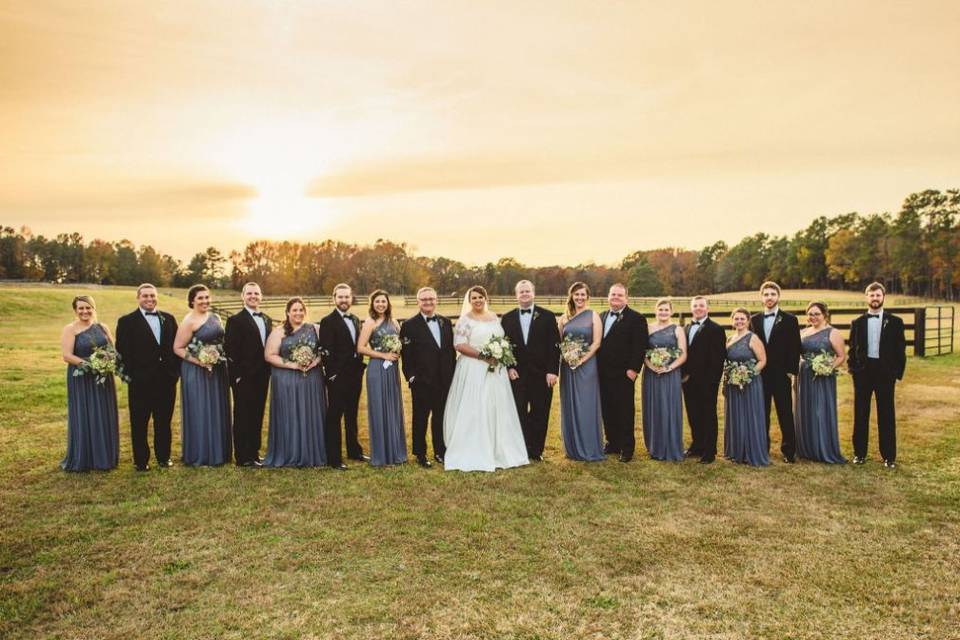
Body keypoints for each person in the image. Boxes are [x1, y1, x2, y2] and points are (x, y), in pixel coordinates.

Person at [443, 286, 529, 472]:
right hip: (473, 368)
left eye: (480, 296)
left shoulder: (494, 317)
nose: (477, 300)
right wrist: (483, 356)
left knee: (496, 406)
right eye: (474, 298)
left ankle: (499, 449)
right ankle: (474, 448)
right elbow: (459, 344)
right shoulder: (465, 320)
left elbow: (502, 340)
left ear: (485, 297)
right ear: (470, 300)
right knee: (476, 406)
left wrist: (500, 355)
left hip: (497, 370)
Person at [115, 283, 179, 471]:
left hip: (166, 381)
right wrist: (131, 377)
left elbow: (175, 348)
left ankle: (163, 457)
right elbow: (122, 352)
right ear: (138, 298)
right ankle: (141, 461)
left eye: (152, 295)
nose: (149, 299)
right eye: (145, 296)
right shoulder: (126, 321)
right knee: (139, 422)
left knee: (163, 421)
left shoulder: (169, 319)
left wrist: (174, 373)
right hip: (140, 382)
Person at [847, 282, 906, 468]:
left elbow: (900, 350)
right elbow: (851, 350)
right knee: (861, 414)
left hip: (885, 373)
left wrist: (896, 373)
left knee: (886, 415)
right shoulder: (857, 323)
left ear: (883, 297)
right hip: (863, 374)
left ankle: (889, 457)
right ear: (866, 298)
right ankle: (859, 454)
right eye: (871, 295)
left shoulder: (895, 322)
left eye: (878, 295)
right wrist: (853, 370)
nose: (875, 298)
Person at [262, 297, 327, 467]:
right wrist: (293, 365)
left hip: (312, 379)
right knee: (290, 414)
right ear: (288, 312)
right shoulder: (279, 331)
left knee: (311, 413)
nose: (298, 313)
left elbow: (324, 350)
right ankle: (290, 452)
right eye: (294, 310)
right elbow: (269, 355)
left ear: (305, 312)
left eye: (301, 310)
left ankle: (312, 452)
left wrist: (315, 361)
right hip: (286, 380)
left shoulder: (315, 329)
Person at [501, 280, 561, 461]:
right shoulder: (507, 317)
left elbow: (555, 346)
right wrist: (509, 367)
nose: (525, 294)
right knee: (518, 412)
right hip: (517, 374)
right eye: (521, 292)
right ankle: (522, 448)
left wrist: (552, 371)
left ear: (533, 293)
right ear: (516, 295)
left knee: (540, 412)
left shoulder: (548, 316)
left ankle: (536, 451)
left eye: (527, 291)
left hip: (542, 375)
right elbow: (504, 346)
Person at [173, 285, 232, 466]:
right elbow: (178, 348)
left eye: (207, 297)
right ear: (192, 301)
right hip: (196, 371)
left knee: (217, 407)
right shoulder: (189, 321)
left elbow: (221, 341)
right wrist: (200, 361)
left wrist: (217, 355)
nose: (205, 301)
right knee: (201, 408)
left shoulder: (215, 317)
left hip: (217, 370)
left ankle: (219, 451)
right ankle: (202, 453)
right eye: (200, 298)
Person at [60, 295, 119, 471]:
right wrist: (91, 365)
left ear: (93, 309)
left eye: (88, 308)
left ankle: (105, 457)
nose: (85, 311)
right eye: (81, 308)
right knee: (85, 413)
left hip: (103, 378)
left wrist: (108, 361)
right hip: (81, 378)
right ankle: (85, 457)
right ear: (75, 310)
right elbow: (67, 356)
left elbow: (113, 350)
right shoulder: (70, 329)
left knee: (102, 413)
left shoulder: (102, 327)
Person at [400, 287, 456, 467]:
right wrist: (412, 377)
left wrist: (451, 374)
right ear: (418, 302)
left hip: (443, 380)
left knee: (440, 417)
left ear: (436, 300)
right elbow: (406, 356)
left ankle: (440, 451)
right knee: (420, 418)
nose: (428, 302)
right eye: (424, 299)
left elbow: (449, 352)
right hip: (422, 381)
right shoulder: (409, 325)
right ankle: (420, 453)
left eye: (431, 299)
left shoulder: (446, 322)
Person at [317, 283, 367, 470]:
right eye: (341, 297)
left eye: (347, 297)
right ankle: (334, 458)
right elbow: (326, 351)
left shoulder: (355, 319)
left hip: (355, 374)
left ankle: (354, 450)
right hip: (338, 377)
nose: (344, 300)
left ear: (351, 298)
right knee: (335, 415)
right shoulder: (327, 321)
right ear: (334, 298)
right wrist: (333, 375)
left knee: (352, 414)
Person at [596, 283, 648, 462]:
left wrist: (633, 370)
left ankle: (627, 448)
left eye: (619, 295)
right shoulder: (601, 316)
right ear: (608, 296)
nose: (616, 298)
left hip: (624, 374)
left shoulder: (636, 319)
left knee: (624, 411)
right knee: (607, 409)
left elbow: (640, 346)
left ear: (626, 298)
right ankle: (612, 442)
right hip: (602, 373)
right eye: (613, 294)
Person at [750, 281, 800, 463]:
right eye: (766, 294)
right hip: (760, 374)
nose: (769, 297)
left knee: (785, 412)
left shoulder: (790, 320)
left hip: (781, 373)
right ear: (761, 297)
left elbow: (795, 347)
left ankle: (789, 451)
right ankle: (763, 448)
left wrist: (790, 371)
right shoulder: (753, 320)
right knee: (762, 411)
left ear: (778, 296)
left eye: (772, 294)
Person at [356, 290, 408, 466]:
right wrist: (383, 355)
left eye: (383, 301)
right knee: (380, 408)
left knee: (393, 407)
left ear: (388, 303)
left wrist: (397, 350)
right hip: (377, 369)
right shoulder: (370, 322)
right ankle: (382, 455)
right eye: (377, 301)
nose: (380, 304)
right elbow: (361, 348)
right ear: (372, 304)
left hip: (392, 370)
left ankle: (396, 451)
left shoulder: (393, 322)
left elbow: (401, 342)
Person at [224, 282, 272, 467]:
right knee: (243, 415)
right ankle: (242, 456)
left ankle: (254, 452)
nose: (253, 296)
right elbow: (230, 350)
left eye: (256, 293)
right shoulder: (235, 320)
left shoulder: (266, 319)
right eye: (249, 293)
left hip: (263, 375)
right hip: (243, 377)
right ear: (243, 296)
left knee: (257, 414)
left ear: (261, 296)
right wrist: (236, 377)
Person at [558, 282, 606, 462]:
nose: (579, 298)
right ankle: (572, 448)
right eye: (576, 294)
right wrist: (569, 358)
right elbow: (560, 343)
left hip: (587, 366)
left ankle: (589, 446)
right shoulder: (564, 318)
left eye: (582, 295)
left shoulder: (594, 315)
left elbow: (596, 343)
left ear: (587, 297)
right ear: (571, 296)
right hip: (568, 367)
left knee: (586, 404)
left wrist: (581, 359)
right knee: (570, 403)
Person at [795, 302, 847, 464]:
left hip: (823, 377)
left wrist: (826, 367)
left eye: (817, 313)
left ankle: (823, 448)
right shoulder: (802, 332)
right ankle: (806, 448)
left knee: (820, 410)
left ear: (825, 314)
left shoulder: (833, 333)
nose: (813, 317)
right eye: (810, 314)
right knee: (805, 409)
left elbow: (841, 356)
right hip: (803, 375)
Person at [680, 295, 727, 464]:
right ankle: (697, 445)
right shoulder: (685, 328)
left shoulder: (716, 329)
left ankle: (709, 451)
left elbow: (718, 358)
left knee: (708, 415)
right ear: (691, 308)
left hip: (707, 381)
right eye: (695, 306)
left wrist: (713, 381)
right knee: (693, 413)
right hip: (688, 380)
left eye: (701, 305)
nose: (698, 308)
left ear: (707, 308)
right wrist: (682, 375)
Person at [641, 298, 687, 461]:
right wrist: (651, 366)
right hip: (652, 374)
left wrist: (669, 368)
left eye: (666, 310)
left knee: (669, 407)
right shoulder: (648, 328)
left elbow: (683, 354)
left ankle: (670, 444)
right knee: (654, 406)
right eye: (660, 309)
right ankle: (654, 445)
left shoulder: (678, 329)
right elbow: (643, 351)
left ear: (671, 312)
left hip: (670, 374)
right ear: (656, 311)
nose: (663, 312)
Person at [724, 308, 769, 467]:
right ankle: (737, 451)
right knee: (736, 415)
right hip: (733, 384)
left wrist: (747, 375)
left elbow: (762, 361)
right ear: (732, 321)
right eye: (736, 319)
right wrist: (732, 376)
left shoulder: (753, 338)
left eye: (742, 319)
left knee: (750, 415)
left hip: (750, 383)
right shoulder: (729, 339)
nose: (739, 322)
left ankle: (751, 451)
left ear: (748, 320)